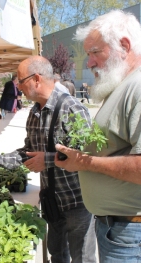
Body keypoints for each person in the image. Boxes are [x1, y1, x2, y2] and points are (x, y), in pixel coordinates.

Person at [0, 56, 96, 263]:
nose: (18, 86)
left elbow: (86, 155)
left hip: (77, 202)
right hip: (52, 201)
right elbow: (28, 151)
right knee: (57, 255)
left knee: (82, 258)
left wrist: (47, 160)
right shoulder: (34, 113)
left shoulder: (72, 108)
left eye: (20, 80)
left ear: (37, 79)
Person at [54, 10, 141, 263]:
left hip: (129, 233)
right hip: (117, 229)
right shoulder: (122, 86)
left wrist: (82, 162)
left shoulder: (138, 87)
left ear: (124, 46)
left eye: (95, 52)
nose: (88, 63)